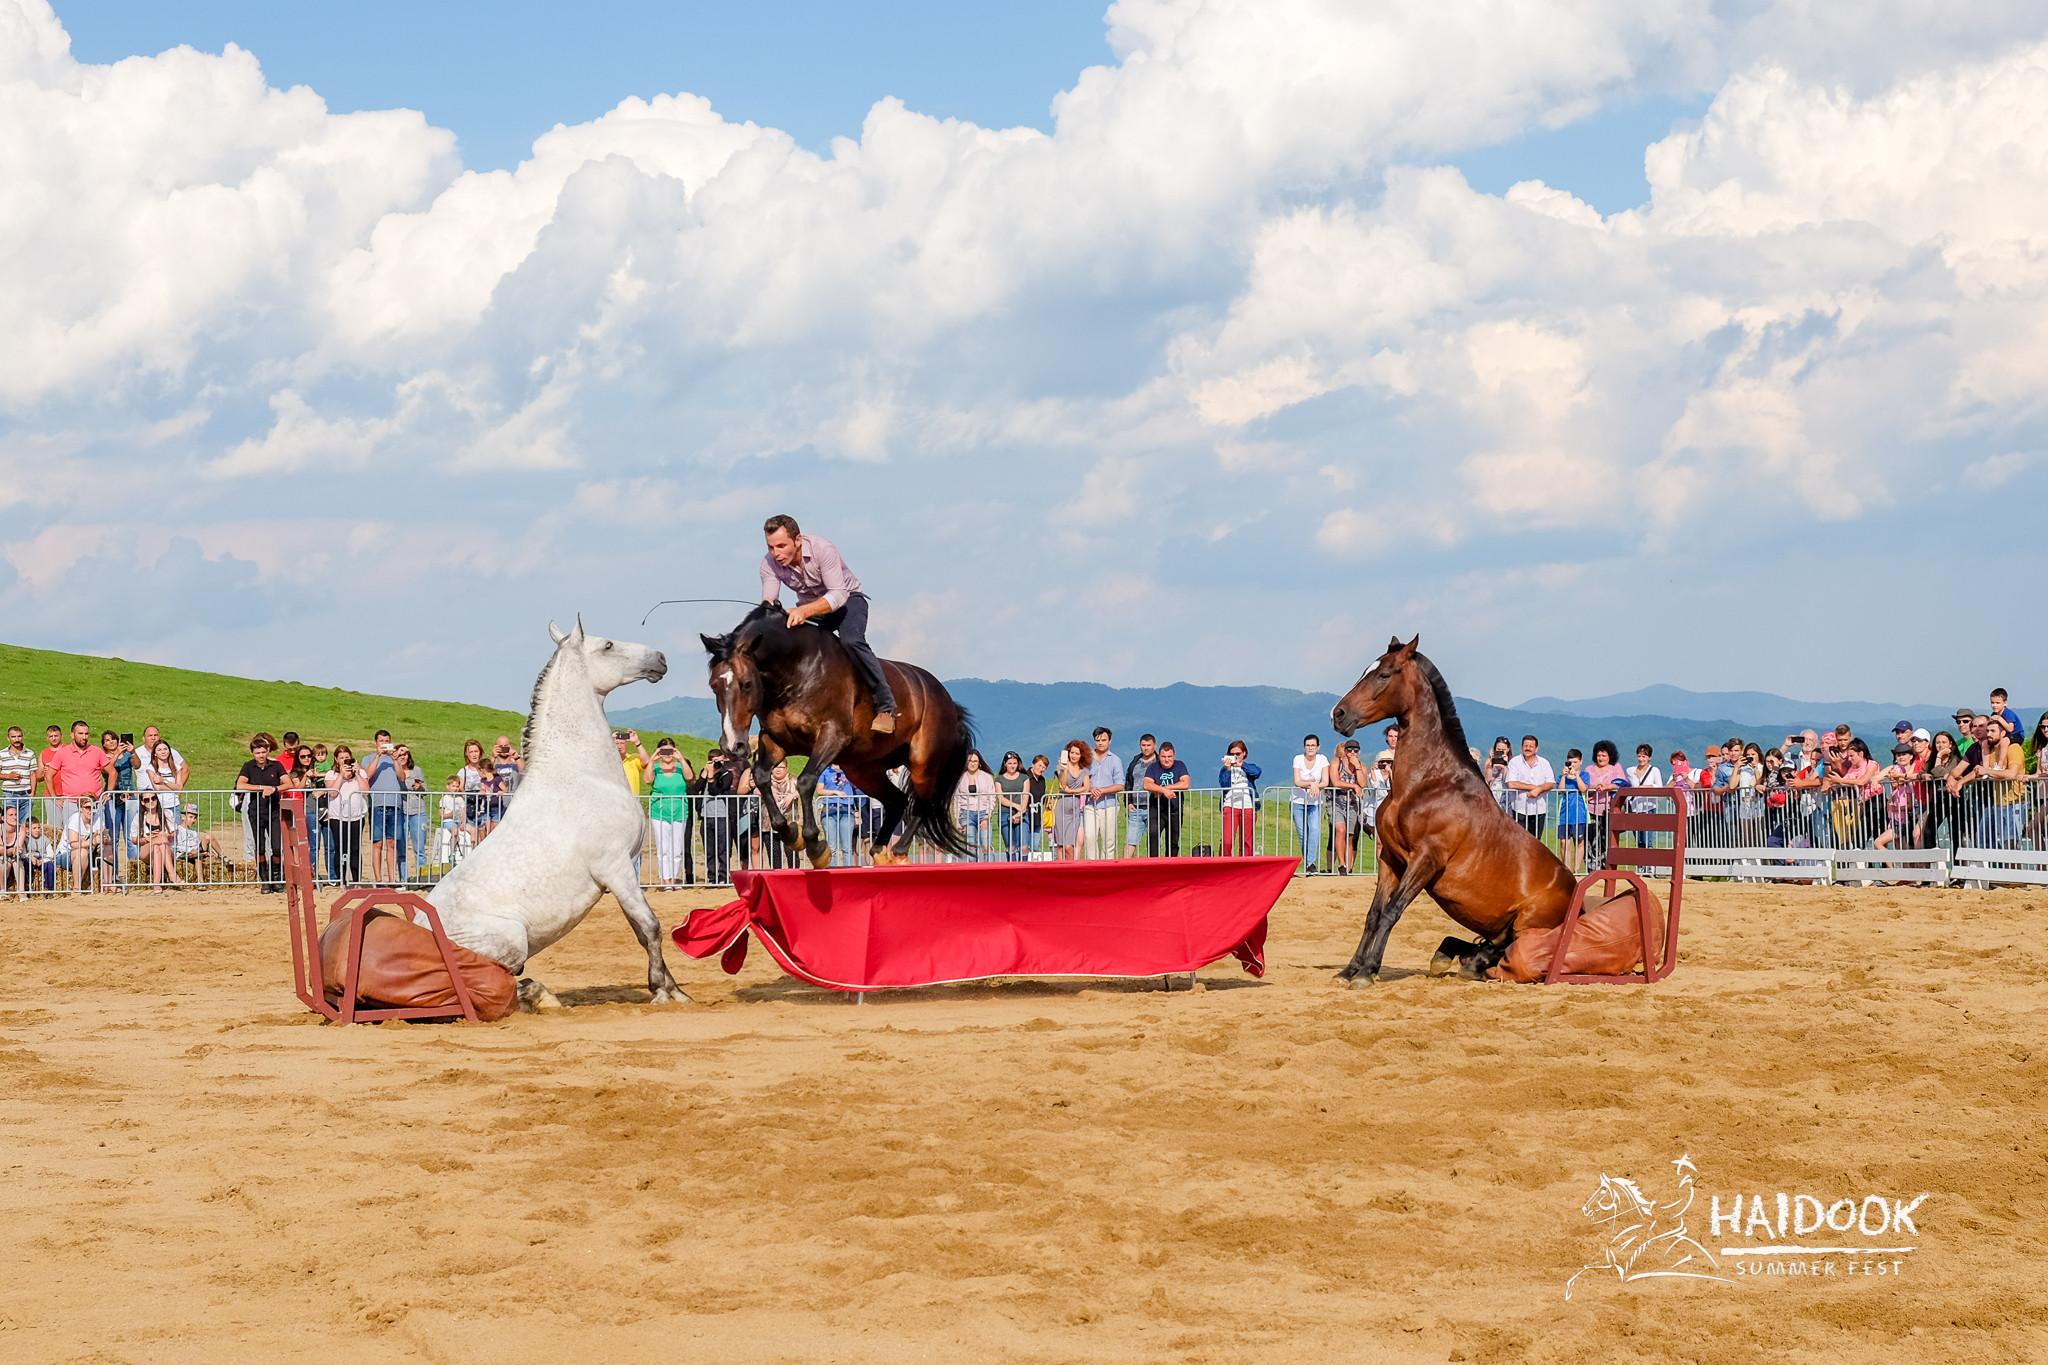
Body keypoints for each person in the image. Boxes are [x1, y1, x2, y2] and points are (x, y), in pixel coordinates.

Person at [759, 513, 898, 732]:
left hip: (848, 601)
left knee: (851, 642)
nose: (776, 554)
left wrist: (803, 611)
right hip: (811, 609)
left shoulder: (823, 549)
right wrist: (769, 612)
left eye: (781, 546)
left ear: (797, 540)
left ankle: (886, 706)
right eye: (771, 547)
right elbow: (769, 600)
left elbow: (839, 595)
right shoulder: (768, 564)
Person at [234, 734, 287, 892]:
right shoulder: (248, 766)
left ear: (268, 751)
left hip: (274, 810)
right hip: (256, 810)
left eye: (263, 752)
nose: (261, 755)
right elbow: (240, 785)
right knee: (260, 846)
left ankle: (276, 878)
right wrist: (262, 788)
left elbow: (288, 782)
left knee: (277, 847)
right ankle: (265, 879)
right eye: (257, 753)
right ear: (252, 753)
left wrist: (275, 789)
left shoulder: (276, 766)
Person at [646, 739, 695, 887]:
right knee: (663, 848)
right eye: (663, 751)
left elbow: (689, 777)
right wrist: (652, 760)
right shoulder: (655, 768)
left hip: (680, 811)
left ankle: (674, 879)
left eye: (670, 751)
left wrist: (680, 758)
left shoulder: (680, 767)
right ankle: (666, 880)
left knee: (677, 848)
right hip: (659, 812)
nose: (667, 754)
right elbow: (647, 780)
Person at [360, 730, 405, 885]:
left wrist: (394, 759)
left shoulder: (395, 759)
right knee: (377, 843)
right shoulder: (368, 758)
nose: (384, 743)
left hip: (395, 805)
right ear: (376, 743)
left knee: (392, 843)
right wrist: (378, 756)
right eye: (381, 741)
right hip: (377, 804)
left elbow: (402, 777)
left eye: (387, 741)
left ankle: (392, 879)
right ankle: (378, 879)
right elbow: (367, 775)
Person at [323, 745, 369, 885]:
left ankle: (356, 881)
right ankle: (341, 881)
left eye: (347, 758)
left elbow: (366, 791)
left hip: (356, 817)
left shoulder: (361, 773)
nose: (345, 761)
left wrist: (358, 774)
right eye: (342, 758)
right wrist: (342, 776)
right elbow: (332, 792)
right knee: (340, 848)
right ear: (336, 760)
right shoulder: (331, 774)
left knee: (355, 849)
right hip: (338, 817)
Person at [1142, 741, 1192, 859]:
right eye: (1164, 757)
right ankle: (1153, 864)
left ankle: (1171, 863)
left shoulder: (1180, 766)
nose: (1167, 760)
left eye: (1169, 757)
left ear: (1174, 756)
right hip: (1156, 809)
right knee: (1153, 836)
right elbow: (1147, 784)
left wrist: (1165, 788)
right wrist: (1164, 791)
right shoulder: (1153, 767)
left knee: (1173, 840)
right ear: (1159, 756)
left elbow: (1185, 783)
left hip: (1174, 808)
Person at [1581, 741, 1626, 871]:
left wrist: (1607, 786)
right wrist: (1596, 787)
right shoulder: (1589, 769)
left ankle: (1608, 868)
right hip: (1591, 809)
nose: (1600, 758)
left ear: (1610, 756)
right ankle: (1592, 869)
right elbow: (1584, 785)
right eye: (1599, 755)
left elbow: (1621, 783)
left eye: (1604, 755)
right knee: (1591, 840)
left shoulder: (1616, 767)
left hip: (1609, 809)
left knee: (1608, 840)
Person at [1081, 728, 1123, 861]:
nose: (1100, 743)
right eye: (1097, 740)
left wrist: (1102, 790)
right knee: (1090, 837)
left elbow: (1120, 785)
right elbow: (1080, 779)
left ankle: (1107, 867)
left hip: (1109, 804)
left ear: (1109, 741)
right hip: (1090, 804)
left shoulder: (1115, 760)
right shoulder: (1087, 759)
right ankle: (1091, 866)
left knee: (1108, 839)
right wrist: (1091, 789)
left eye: (1103, 740)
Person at [1503, 735, 1555, 842]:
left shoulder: (1544, 763)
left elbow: (1551, 783)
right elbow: (1511, 783)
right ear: (1522, 747)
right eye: (1525, 745)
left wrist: (1539, 790)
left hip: (1539, 809)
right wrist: (1533, 787)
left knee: (1536, 841)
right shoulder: (1515, 762)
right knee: (1519, 841)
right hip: (1519, 808)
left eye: (1531, 746)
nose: (1528, 748)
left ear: (1536, 748)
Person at [1321, 740, 1362, 874]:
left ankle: (1349, 868)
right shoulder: (1335, 763)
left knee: (1350, 836)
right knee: (1340, 829)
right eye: (1349, 750)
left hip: (1352, 804)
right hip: (1336, 802)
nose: (1352, 753)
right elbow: (1336, 781)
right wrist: (1354, 786)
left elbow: (1363, 783)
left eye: (1355, 750)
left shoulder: (1361, 766)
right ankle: (1342, 865)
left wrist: (1357, 767)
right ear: (1345, 751)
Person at [699, 749, 738, 884]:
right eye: (716, 762)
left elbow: (714, 791)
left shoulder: (727, 774)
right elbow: (696, 788)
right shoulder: (705, 772)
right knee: (709, 849)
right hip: (706, 815)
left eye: (721, 761)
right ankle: (712, 877)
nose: (719, 764)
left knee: (723, 847)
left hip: (721, 815)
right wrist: (705, 773)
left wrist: (712, 777)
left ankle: (723, 876)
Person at [1291, 735, 1328, 876]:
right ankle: (1308, 863)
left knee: (1314, 830)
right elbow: (1297, 781)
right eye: (1308, 745)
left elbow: (1325, 781)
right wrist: (1311, 784)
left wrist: (1317, 787)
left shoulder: (1322, 759)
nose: (1310, 748)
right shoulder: (1298, 759)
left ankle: (1311, 862)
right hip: (1298, 801)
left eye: (1313, 745)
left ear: (1318, 747)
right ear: (1304, 747)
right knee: (1302, 834)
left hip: (1315, 802)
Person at [1219, 741, 1262, 857]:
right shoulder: (1224, 770)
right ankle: (1224, 865)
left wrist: (1242, 765)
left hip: (1248, 806)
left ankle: (1246, 866)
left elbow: (1257, 772)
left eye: (1238, 753)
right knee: (1227, 840)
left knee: (1247, 841)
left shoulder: (1249, 767)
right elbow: (1224, 784)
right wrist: (1228, 769)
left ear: (1244, 753)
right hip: (1230, 805)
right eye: (1232, 754)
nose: (1236, 756)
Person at [952, 750, 996, 862]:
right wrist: (957, 818)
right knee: (971, 845)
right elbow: (957, 798)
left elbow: (992, 797)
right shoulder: (960, 778)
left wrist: (987, 815)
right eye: (970, 761)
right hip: (966, 813)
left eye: (975, 761)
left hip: (983, 813)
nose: (972, 763)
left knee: (986, 845)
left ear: (979, 763)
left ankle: (990, 869)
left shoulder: (987, 777)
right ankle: (973, 870)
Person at [817, 762, 861, 868]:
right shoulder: (825, 771)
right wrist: (835, 792)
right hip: (830, 809)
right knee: (831, 846)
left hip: (847, 809)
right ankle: (832, 871)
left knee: (847, 846)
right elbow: (819, 790)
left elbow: (857, 786)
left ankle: (848, 872)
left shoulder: (848, 769)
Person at [396, 744, 430, 882]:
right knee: (402, 849)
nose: (402, 757)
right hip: (401, 812)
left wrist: (418, 786)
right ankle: (404, 879)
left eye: (404, 754)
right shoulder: (394, 772)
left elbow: (425, 790)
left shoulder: (417, 770)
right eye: (399, 755)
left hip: (418, 812)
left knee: (419, 849)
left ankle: (422, 879)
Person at [1121, 735, 1158, 858]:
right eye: (1143, 745)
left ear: (1154, 746)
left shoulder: (1159, 762)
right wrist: (1128, 802)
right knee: (1130, 840)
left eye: (1149, 745)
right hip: (1136, 808)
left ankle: (1154, 866)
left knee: (1154, 840)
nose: (1146, 748)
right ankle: (1124, 867)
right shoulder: (1135, 762)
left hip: (1153, 808)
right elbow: (1128, 783)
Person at [1054, 740, 1090, 860]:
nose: (1074, 756)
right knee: (1060, 845)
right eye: (1072, 753)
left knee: (1069, 846)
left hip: (1074, 810)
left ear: (1081, 755)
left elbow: (1086, 787)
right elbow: (1063, 785)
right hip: (1061, 808)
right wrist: (1065, 769)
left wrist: (1072, 791)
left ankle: (1070, 870)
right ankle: (1059, 871)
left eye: (1077, 753)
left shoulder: (1084, 770)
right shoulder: (1061, 767)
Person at [993, 752, 1031, 863]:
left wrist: (1020, 812)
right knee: (1011, 846)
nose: (1012, 766)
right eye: (1010, 763)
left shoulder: (1024, 777)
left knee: (1024, 846)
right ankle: (1012, 867)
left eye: (1015, 763)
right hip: (1005, 813)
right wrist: (1015, 806)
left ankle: (1024, 867)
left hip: (1022, 814)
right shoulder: (999, 779)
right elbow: (1000, 797)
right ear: (1005, 764)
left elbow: (1026, 795)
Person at [1555, 750, 1588, 874]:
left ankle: (1577, 870)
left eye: (1575, 762)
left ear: (1580, 762)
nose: (1573, 765)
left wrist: (1576, 776)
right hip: (1564, 814)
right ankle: (1567, 869)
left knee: (1579, 841)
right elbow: (1560, 791)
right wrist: (1564, 776)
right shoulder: (1561, 777)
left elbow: (1584, 788)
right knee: (1564, 842)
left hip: (1579, 814)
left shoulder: (1584, 775)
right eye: (1570, 762)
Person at [0, 727, 34, 826]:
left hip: (26, 794)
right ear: (8, 738)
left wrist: (32, 793)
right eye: (13, 737)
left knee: (25, 824)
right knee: (10, 823)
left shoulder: (30, 753)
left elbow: (33, 774)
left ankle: (22, 841)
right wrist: (8, 776)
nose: (17, 739)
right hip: (9, 794)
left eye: (19, 736)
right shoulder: (2, 754)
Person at [1361, 748, 1391, 844]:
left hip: (1389, 808)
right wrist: (1373, 771)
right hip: (1375, 807)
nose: (1386, 764)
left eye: (1388, 762)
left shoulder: (1394, 774)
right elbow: (1376, 786)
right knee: (1378, 840)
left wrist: (1390, 772)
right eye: (1383, 762)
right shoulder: (1374, 774)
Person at [1026, 754, 1051, 855]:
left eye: (1044, 767)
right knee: (1025, 846)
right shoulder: (1025, 777)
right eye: (1039, 765)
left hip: (1038, 816)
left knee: (1035, 846)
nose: (1041, 769)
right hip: (1027, 816)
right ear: (1033, 764)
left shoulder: (1042, 780)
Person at [1484, 737, 1512, 814]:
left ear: (1508, 750)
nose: (1501, 752)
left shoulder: (1512, 763)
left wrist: (1505, 765)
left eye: (1503, 750)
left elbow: (1506, 779)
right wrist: (1492, 762)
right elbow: (1488, 779)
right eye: (1498, 750)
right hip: (1492, 793)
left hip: (1505, 794)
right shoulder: (1489, 762)